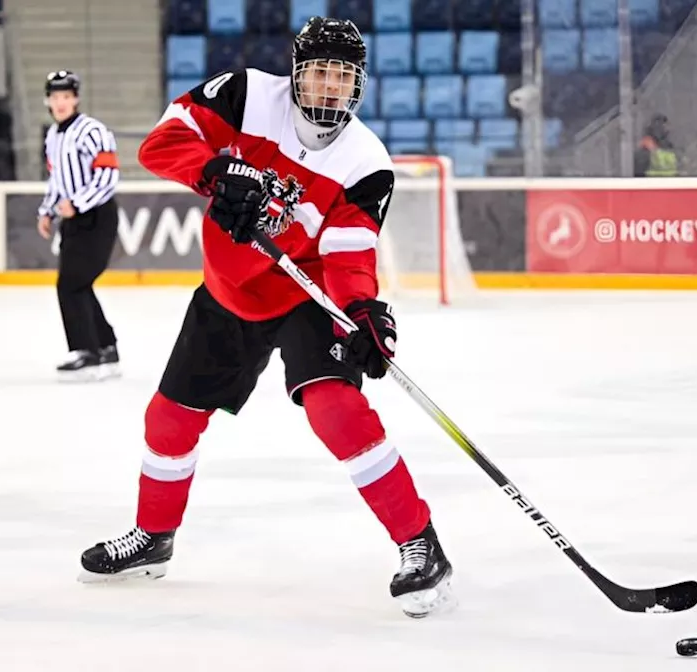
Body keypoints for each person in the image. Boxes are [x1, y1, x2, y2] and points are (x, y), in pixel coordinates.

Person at [76, 17, 455, 618]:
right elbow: (162, 142)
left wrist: (363, 312)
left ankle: (420, 546)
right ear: (298, 73)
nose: (331, 88)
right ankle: (153, 538)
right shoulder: (248, 94)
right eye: (322, 73)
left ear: (358, 84)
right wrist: (215, 173)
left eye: (344, 77)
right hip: (228, 292)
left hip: (307, 296)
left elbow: (349, 249)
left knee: (338, 411)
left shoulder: (367, 161)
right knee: (168, 420)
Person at [36, 70, 122, 381]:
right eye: (55, 97)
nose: (61, 102)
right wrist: (47, 211)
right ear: (48, 100)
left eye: (66, 96)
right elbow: (57, 180)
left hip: (96, 216)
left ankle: (86, 352)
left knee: (70, 284)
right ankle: (106, 348)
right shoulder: (53, 136)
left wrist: (78, 203)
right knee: (78, 284)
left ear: (76, 99)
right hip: (71, 219)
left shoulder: (92, 131)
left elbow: (108, 176)